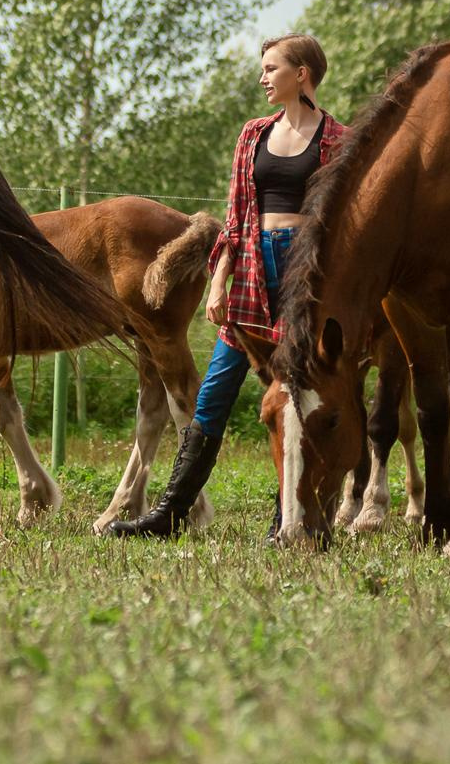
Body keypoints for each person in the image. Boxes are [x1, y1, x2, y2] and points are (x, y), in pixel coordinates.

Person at [106, 33, 344, 538]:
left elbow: (343, 223)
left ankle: (289, 518)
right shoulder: (253, 135)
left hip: (307, 277)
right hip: (254, 272)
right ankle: (168, 515)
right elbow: (236, 219)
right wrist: (218, 282)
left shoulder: (338, 141)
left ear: (302, 74)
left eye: (271, 68)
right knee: (214, 391)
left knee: (295, 399)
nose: (262, 77)